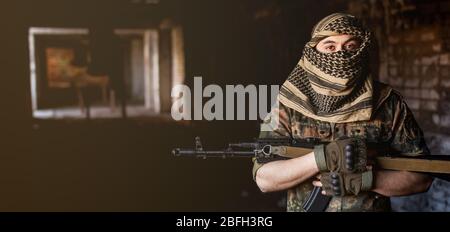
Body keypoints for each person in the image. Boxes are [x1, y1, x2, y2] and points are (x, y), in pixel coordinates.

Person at [252, 13, 433, 212]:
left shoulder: (387, 102)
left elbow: (422, 176)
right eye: (330, 46)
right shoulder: (288, 102)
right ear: (313, 52)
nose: (340, 55)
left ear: (361, 51)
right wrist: (321, 159)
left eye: (350, 47)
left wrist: (365, 181)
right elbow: (264, 178)